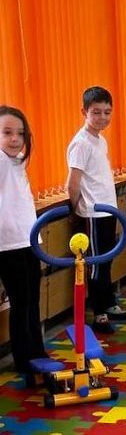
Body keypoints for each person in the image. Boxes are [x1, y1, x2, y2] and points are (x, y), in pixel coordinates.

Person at [66, 86, 126, 335]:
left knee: (107, 260)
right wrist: (75, 210)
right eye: (96, 112)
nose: (103, 117)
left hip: (108, 210)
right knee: (95, 265)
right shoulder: (81, 143)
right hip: (92, 213)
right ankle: (99, 313)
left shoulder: (100, 140)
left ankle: (109, 303)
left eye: (107, 112)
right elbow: (73, 183)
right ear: (84, 112)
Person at [0, 105, 48, 373]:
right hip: (8, 245)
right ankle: (24, 358)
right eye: (7, 133)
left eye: (20, 133)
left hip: (28, 240)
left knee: (32, 300)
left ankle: (37, 351)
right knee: (21, 303)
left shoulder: (17, 161)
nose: (15, 139)